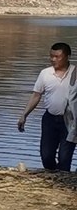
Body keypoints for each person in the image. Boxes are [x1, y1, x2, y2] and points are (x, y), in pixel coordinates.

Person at [16, 40, 76, 171]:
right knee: (46, 155)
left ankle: (61, 180)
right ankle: (54, 175)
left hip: (70, 122)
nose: (53, 59)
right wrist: (24, 115)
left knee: (64, 157)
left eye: (57, 57)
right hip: (50, 119)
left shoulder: (75, 73)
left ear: (67, 57)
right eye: (51, 56)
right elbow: (36, 95)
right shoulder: (45, 73)